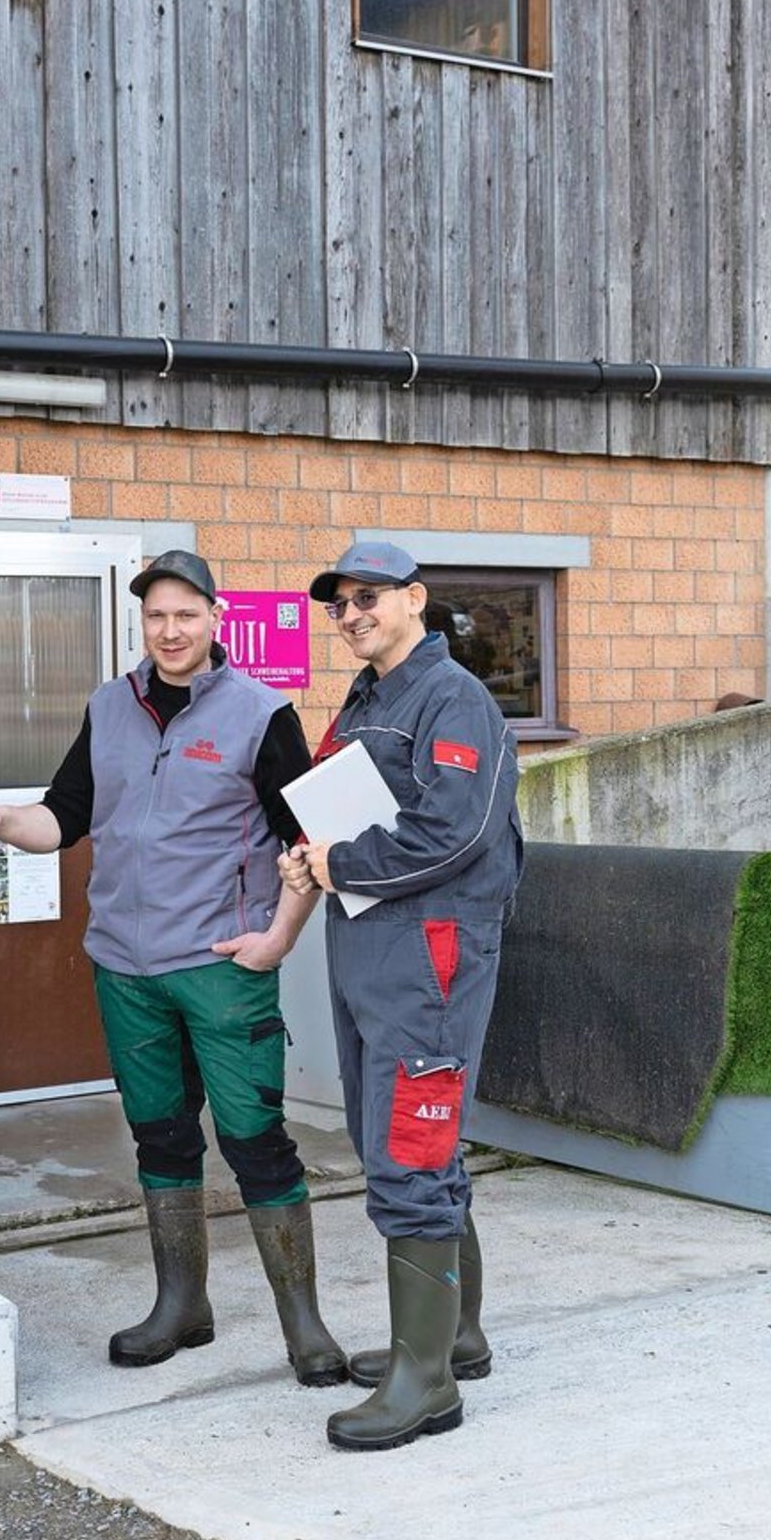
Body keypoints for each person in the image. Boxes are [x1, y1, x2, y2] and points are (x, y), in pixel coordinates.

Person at [0, 550, 346, 1388]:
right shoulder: (110, 706)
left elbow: (311, 843)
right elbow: (62, 819)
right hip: (125, 970)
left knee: (254, 1142)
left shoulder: (260, 712)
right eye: (155, 616)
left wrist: (277, 940)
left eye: (185, 614)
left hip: (221, 964)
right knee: (161, 1138)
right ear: (142, 623)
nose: (169, 631)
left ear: (215, 620)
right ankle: (182, 1306)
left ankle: (305, 1326)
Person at [280, 540, 522, 1451]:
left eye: (367, 598)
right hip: (371, 938)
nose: (350, 615)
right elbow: (356, 811)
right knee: (399, 1134)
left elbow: (453, 833)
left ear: (415, 599)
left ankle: (426, 1384)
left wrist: (341, 860)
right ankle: (452, 1336)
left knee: (412, 1145)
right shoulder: (371, 697)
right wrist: (315, 856)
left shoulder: (452, 696)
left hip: (430, 947)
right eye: (338, 605)